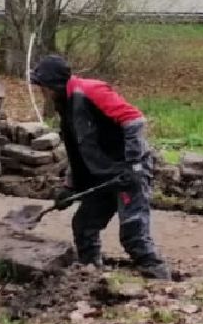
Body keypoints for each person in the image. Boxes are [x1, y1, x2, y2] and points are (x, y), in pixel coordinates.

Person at [28, 54, 170, 280]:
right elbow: (79, 150)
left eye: (42, 87)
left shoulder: (90, 91)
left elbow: (134, 120)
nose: (41, 92)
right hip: (103, 174)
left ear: (53, 84)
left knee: (133, 234)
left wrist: (133, 163)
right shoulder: (64, 105)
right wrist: (70, 186)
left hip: (127, 171)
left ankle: (161, 280)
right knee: (84, 225)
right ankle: (90, 276)